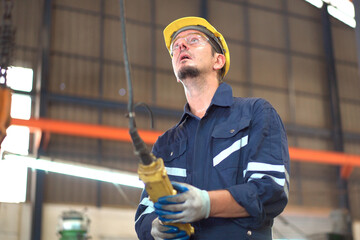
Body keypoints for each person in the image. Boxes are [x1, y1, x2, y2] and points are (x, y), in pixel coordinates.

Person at [135, 16, 290, 240]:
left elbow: (271, 190)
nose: (181, 47)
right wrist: (154, 227)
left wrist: (208, 204)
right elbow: (145, 211)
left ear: (218, 60)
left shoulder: (256, 113)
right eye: (175, 47)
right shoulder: (167, 143)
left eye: (194, 39)